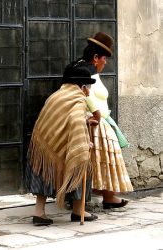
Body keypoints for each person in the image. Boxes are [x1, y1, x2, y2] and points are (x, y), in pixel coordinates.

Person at [25, 62, 98, 226]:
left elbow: (61, 120)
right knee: (81, 162)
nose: (88, 91)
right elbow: (74, 120)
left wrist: (85, 120)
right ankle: (78, 211)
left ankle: (39, 212)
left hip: (44, 142)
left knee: (44, 170)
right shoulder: (78, 100)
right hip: (60, 142)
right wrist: (85, 142)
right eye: (88, 87)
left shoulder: (57, 95)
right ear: (82, 86)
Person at [74, 32, 133, 209]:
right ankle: (81, 200)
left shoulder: (91, 70)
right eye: (104, 58)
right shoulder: (84, 70)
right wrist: (96, 114)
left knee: (105, 162)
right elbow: (84, 93)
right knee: (92, 162)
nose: (105, 62)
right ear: (95, 57)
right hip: (93, 122)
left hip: (102, 122)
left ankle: (108, 196)